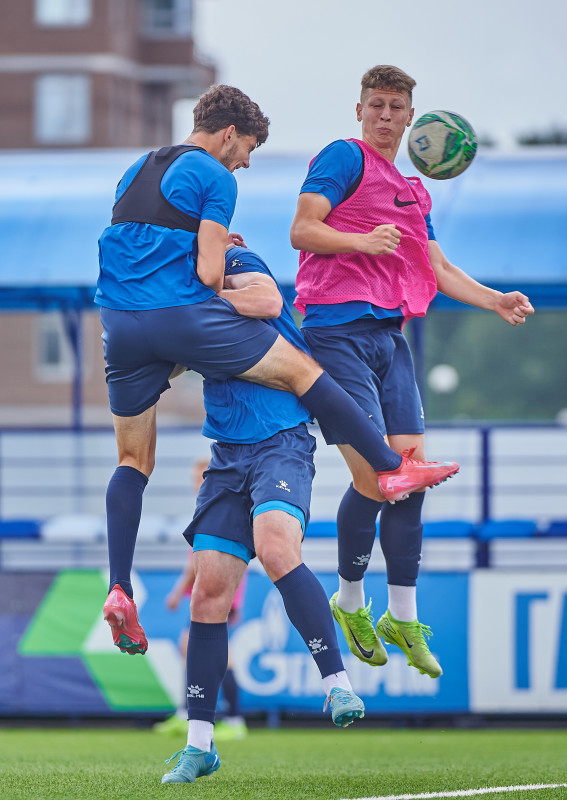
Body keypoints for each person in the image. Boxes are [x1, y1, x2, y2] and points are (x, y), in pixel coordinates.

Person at [97, 83, 459, 656]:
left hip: (118, 324)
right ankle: (390, 467)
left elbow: (143, 240)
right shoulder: (216, 176)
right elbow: (212, 274)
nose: (244, 163)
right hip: (178, 318)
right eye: (247, 150)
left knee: (132, 460)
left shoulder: (138, 167)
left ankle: (118, 585)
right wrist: (213, 263)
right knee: (299, 370)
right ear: (228, 135)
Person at [289, 64, 534, 678]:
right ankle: (348, 602)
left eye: (396, 107)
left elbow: (440, 270)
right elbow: (302, 229)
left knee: (411, 478)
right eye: (376, 104)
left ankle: (402, 614)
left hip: (389, 338)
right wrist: (359, 244)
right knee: (380, 478)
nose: (385, 116)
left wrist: (494, 299)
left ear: (411, 117)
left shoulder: (414, 191)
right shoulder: (343, 158)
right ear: (359, 110)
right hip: (335, 328)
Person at [160, 245, 366, 785]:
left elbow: (269, 298)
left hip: (281, 444)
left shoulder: (236, 261)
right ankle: (199, 744)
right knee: (208, 594)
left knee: (276, 549)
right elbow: (170, 361)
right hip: (226, 457)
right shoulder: (182, 293)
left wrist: (199, 299)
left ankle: (336, 682)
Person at [154, 459, 248, 742]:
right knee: (191, 648)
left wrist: (176, 592)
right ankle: (190, 713)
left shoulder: (215, 505)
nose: (197, 483)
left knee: (216, 654)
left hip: (219, 588)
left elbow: (199, 563)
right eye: (195, 478)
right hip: (215, 588)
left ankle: (233, 719)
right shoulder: (215, 504)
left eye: (201, 478)